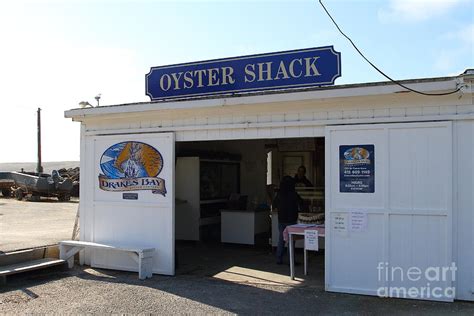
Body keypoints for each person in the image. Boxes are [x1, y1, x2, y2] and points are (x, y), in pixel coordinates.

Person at [273, 176, 305, 264]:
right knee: (291, 241)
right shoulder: (293, 194)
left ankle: (279, 259)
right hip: (291, 220)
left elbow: (274, 204)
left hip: (281, 220)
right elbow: (302, 203)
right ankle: (291, 261)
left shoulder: (279, 194)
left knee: (281, 239)